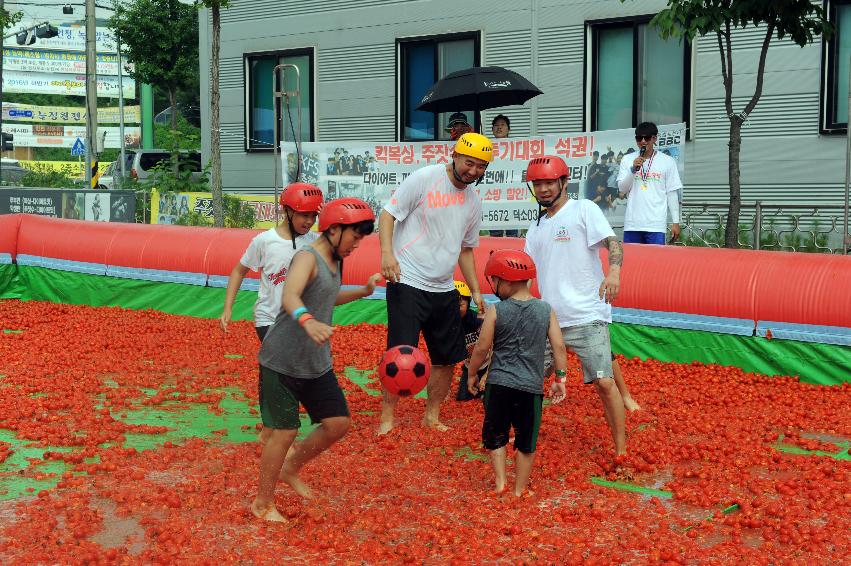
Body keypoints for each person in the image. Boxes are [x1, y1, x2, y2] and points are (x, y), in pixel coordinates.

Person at [251, 197, 380, 522]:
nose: (357, 244)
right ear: (334, 229)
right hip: (281, 360)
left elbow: (326, 294)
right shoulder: (306, 258)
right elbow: (291, 295)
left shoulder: (337, 259)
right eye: (355, 236)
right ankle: (262, 504)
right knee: (284, 432)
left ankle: (291, 468)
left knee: (338, 424)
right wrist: (308, 321)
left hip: (315, 362)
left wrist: (362, 292)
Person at [524, 155, 640, 463]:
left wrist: (614, 272)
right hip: (549, 320)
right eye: (538, 184)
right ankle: (524, 437)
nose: (544, 189)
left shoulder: (583, 209)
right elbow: (527, 276)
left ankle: (620, 449)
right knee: (528, 380)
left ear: (563, 182)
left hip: (587, 315)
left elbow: (613, 243)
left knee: (603, 381)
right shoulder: (534, 230)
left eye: (549, 182)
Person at [378, 132, 492, 434]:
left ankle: (432, 415)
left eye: (481, 167)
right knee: (399, 353)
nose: (473, 171)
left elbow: (466, 250)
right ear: (454, 155)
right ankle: (387, 418)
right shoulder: (425, 179)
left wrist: (477, 290)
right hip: (408, 280)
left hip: (443, 287)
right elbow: (388, 215)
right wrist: (387, 255)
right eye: (470, 163)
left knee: (447, 357)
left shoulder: (473, 202)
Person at [466, 249, 568, 496]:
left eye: (496, 281)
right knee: (526, 440)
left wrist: (472, 374)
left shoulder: (496, 310)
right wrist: (560, 378)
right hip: (530, 388)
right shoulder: (546, 310)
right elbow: (559, 346)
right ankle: (519, 490)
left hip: (498, 384)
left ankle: (501, 483)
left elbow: (482, 347)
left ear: (506, 279)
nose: (495, 286)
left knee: (496, 434)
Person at [220, 182, 323, 342]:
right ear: (287, 211)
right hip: (269, 319)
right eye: (305, 215)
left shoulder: (316, 242)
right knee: (283, 363)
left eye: (313, 216)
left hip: (303, 320)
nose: (310, 221)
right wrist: (228, 308)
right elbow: (239, 271)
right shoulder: (265, 241)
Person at [616, 122, 683, 245]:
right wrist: (633, 170)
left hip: (656, 224)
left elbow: (672, 193)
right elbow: (622, 188)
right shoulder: (627, 159)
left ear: (654, 138)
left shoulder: (667, 161)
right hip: (633, 224)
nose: (642, 141)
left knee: (655, 262)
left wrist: (676, 222)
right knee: (632, 262)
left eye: (646, 138)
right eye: (638, 138)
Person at [455, 280, 488, 402]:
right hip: (469, 367)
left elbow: (494, 345)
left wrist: (486, 374)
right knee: (463, 398)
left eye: (459, 305)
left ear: (468, 304)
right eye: (451, 305)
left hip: (487, 365)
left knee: (488, 398)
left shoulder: (477, 320)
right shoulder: (449, 324)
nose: (455, 309)